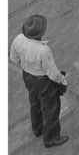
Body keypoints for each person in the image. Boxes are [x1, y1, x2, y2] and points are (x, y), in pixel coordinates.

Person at [9, 15, 69, 148]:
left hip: (28, 77)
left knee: (34, 102)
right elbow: (52, 72)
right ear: (42, 32)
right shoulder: (43, 50)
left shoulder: (18, 39)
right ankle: (51, 138)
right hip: (43, 82)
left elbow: (13, 58)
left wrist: (27, 67)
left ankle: (37, 128)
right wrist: (62, 81)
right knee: (50, 109)